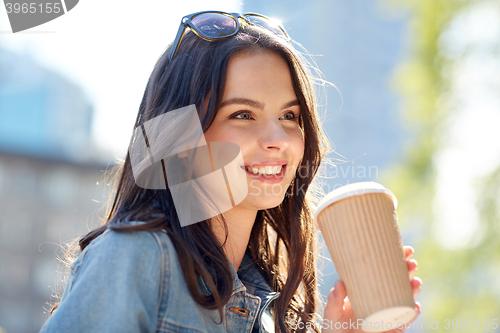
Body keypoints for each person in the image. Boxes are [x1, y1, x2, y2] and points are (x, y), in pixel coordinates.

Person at [40, 11, 421, 333]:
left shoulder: (273, 305)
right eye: (243, 114)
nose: (278, 140)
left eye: (290, 116)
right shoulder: (136, 257)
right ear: (180, 139)